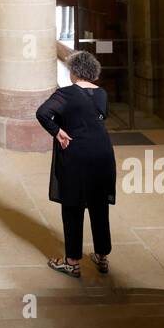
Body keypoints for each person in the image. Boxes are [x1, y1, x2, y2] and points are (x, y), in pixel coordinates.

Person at [35, 50, 116, 278]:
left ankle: (72, 262)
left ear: (73, 72)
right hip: (103, 154)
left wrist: (58, 131)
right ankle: (101, 256)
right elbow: (101, 117)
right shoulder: (101, 94)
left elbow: (42, 113)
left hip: (77, 155)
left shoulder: (66, 94)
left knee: (73, 206)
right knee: (99, 205)